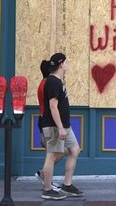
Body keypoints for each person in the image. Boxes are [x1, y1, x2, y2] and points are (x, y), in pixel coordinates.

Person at [40, 53, 83, 200]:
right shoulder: (52, 82)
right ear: (61, 64)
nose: (68, 64)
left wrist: (63, 126)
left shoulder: (58, 81)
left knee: (74, 150)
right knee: (51, 155)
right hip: (54, 126)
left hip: (65, 125)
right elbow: (53, 107)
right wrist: (59, 127)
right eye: (66, 62)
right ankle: (47, 189)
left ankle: (67, 185)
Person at [35, 60, 66, 191]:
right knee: (52, 154)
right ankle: (46, 181)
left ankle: (46, 178)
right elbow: (52, 106)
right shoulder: (48, 84)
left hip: (46, 121)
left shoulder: (45, 83)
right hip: (48, 122)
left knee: (58, 152)